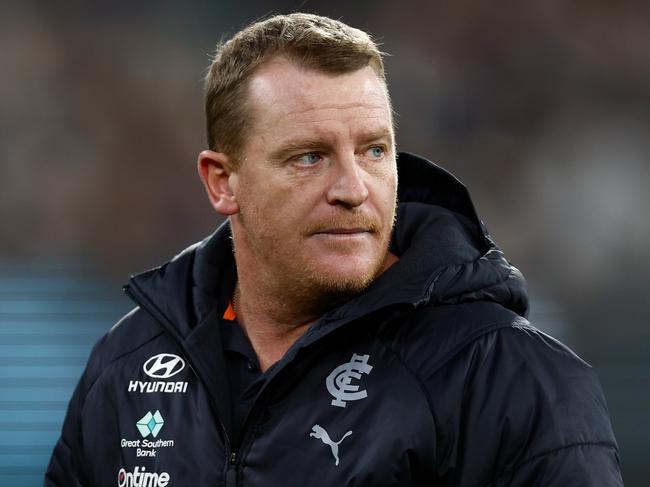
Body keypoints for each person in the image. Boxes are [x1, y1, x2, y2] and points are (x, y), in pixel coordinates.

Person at [46, 13, 623, 486]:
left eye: (374, 151)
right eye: (309, 157)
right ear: (223, 182)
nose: (352, 189)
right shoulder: (125, 366)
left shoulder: (510, 379)